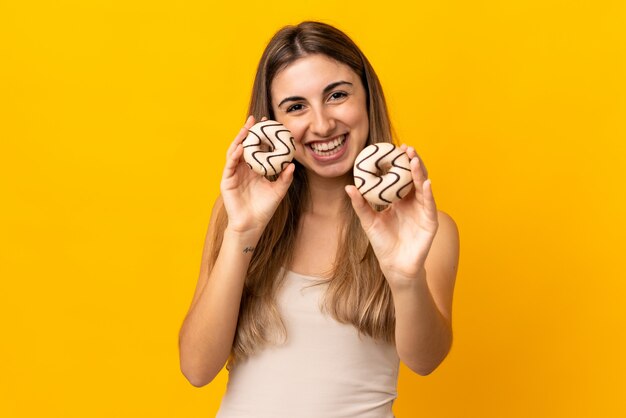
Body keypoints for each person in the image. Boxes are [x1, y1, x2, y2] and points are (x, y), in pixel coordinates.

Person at [178, 21, 460, 417]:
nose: (323, 124)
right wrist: (244, 230)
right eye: (296, 107)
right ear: (271, 122)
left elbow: (425, 360)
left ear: (367, 98)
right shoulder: (236, 215)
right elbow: (196, 368)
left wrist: (405, 276)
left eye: (337, 95)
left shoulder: (423, 229)